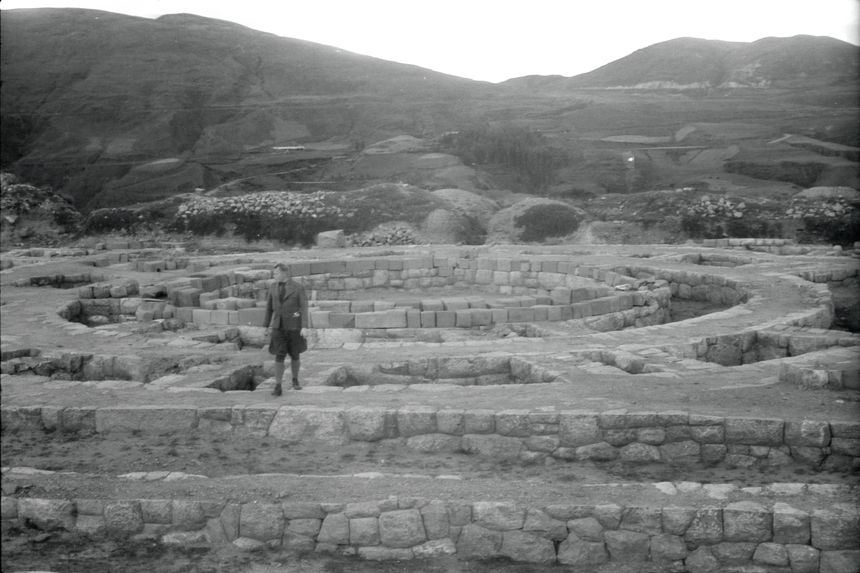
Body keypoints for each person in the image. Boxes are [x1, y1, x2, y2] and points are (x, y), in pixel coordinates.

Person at [264, 262, 308, 396]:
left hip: (294, 327)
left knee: (295, 354)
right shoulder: (272, 287)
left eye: (276, 273)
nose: (274, 276)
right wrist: (265, 326)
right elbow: (269, 308)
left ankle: (295, 380)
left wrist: (304, 326)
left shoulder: (298, 288)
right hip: (278, 327)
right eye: (274, 273)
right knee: (279, 354)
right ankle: (278, 385)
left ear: (284, 273)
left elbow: (304, 308)